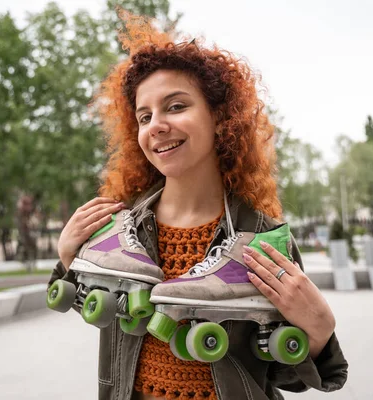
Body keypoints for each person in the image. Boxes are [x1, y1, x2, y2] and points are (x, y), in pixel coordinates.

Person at [48, 11, 347, 400]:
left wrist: (319, 330)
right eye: (144, 116)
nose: (156, 124)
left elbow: (284, 375)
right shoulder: (118, 231)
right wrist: (70, 261)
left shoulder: (260, 239)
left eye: (175, 107)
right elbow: (106, 312)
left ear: (221, 119)